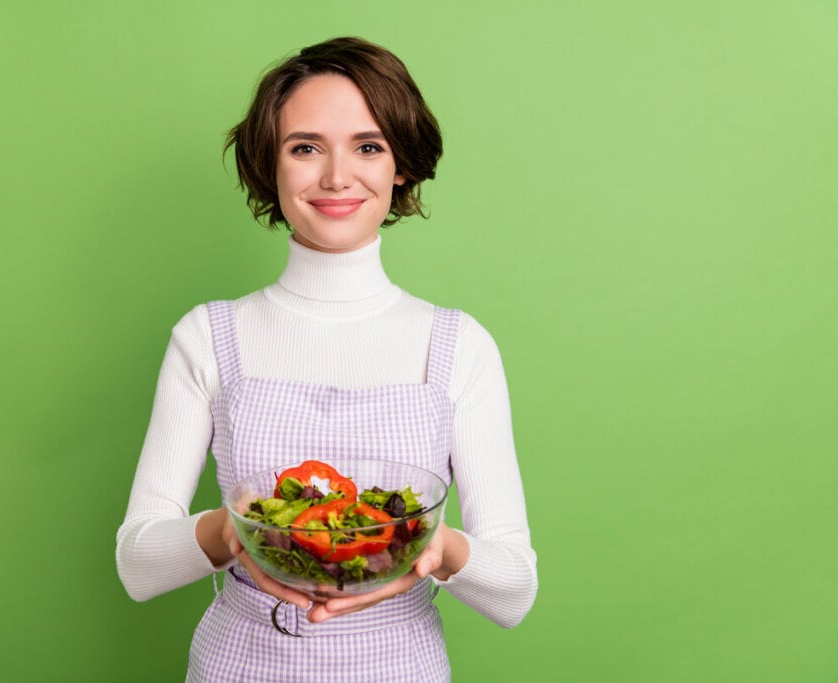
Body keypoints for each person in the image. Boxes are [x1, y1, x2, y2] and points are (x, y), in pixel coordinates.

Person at [116, 36, 538, 682]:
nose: (337, 176)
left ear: (400, 165)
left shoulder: (457, 347)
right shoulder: (206, 336)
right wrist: (229, 532)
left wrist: (433, 546)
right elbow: (137, 564)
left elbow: (516, 589)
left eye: (368, 146)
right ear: (271, 164)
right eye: (305, 147)